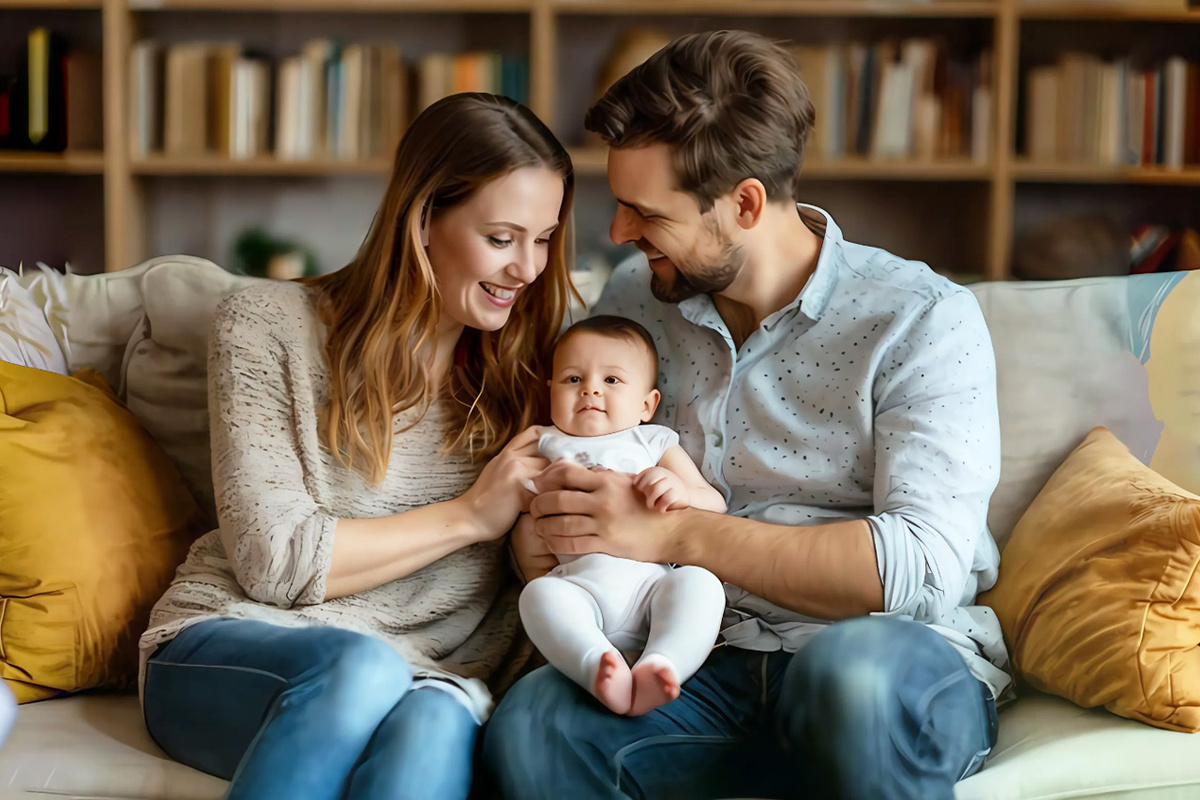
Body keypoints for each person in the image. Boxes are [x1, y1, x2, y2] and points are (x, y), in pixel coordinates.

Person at [489, 30, 1008, 800]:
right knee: (536, 722)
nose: (619, 234)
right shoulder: (636, 298)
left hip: (879, 656)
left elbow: (920, 570)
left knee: (851, 682)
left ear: (745, 204)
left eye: (645, 213)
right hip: (693, 661)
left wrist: (678, 533)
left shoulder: (920, 316)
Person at [138, 92, 575, 800]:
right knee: (363, 670)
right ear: (424, 219)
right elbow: (274, 562)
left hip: (423, 678)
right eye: (502, 238)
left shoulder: (541, 378)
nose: (527, 268)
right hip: (232, 645)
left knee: (438, 717)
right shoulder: (267, 325)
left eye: (545, 238)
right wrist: (472, 514)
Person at [518, 315, 727, 717]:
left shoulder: (650, 441)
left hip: (653, 590)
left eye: (611, 381)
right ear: (551, 393)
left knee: (700, 583)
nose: (590, 389)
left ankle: (663, 663)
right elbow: (520, 518)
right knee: (538, 596)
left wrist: (678, 491)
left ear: (647, 405)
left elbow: (713, 502)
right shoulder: (543, 444)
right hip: (579, 590)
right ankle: (596, 664)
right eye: (572, 379)